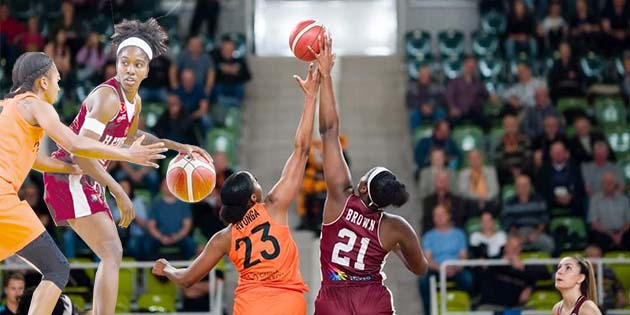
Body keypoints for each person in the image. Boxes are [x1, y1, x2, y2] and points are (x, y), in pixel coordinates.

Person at [42, 19, 209, 315]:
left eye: (138, 64)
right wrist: (118, 190)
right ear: (116, 64)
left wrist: (175, 145)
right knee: (111, 252)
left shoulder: (135, 103)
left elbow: (131, 137)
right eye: (124, 62)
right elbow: (80, 152)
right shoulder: (107, 98)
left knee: (111, 253)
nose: (130, 69)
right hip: (69, 174)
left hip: (88, 177)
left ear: (147, 70)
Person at [0, 51, 165, 315]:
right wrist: (126, 154)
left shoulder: (9, 107)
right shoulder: (36, 104)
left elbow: (37, 161)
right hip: (3, 200)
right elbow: (74, 143)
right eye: (56, 78)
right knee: (56, 268)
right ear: (43, 82)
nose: (59, 82)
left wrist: (70, 167)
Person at [152, 62, 320, 315]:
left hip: (250, 304)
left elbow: (187, 278)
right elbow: (302, 150)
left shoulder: (224, 238)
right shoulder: (273, 206)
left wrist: (167, 269)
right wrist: (310, 98)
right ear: (254, 196)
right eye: (257, 182)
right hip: (288, 302)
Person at [310, 34, 428, 315]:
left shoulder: (340, 198)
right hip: (371, 299)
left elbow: (328, 132)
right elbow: (420, 268)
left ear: (362, 188)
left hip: (332, 296)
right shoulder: (396, 227)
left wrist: (326, 76)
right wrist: (395, 248)